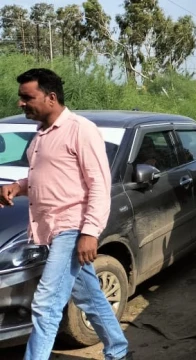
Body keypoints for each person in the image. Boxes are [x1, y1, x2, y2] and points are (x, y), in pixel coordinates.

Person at [0, 68, 131, 360]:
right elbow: (46, 180)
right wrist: (17, 188)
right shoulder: (41, 134)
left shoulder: (80, 130)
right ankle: (120, 351)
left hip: (71, 229)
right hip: (50, 229)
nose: (21, 103)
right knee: (90, 297)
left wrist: (90, 232)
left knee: (46, 304)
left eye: (27, 97)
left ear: (51, 97)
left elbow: (99, 184)